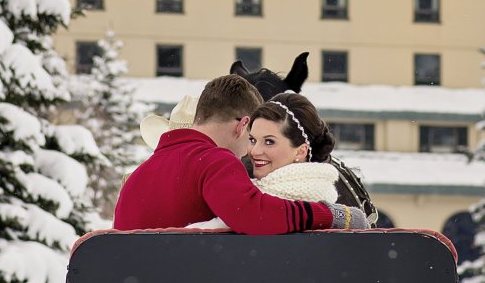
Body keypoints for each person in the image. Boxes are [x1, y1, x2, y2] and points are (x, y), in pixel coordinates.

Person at [113, 75, 366, 233]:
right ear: (242, 125)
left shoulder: (138, 176)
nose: (250, 151)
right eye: (251, 137)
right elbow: (256, 215)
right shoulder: (214, 161)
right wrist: (331, 215)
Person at [245, 94, 378, 221]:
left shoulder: (323, 214)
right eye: (252, 140)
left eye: (269, 142)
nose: (254, 151)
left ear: (301, 151)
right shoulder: (245, 189)